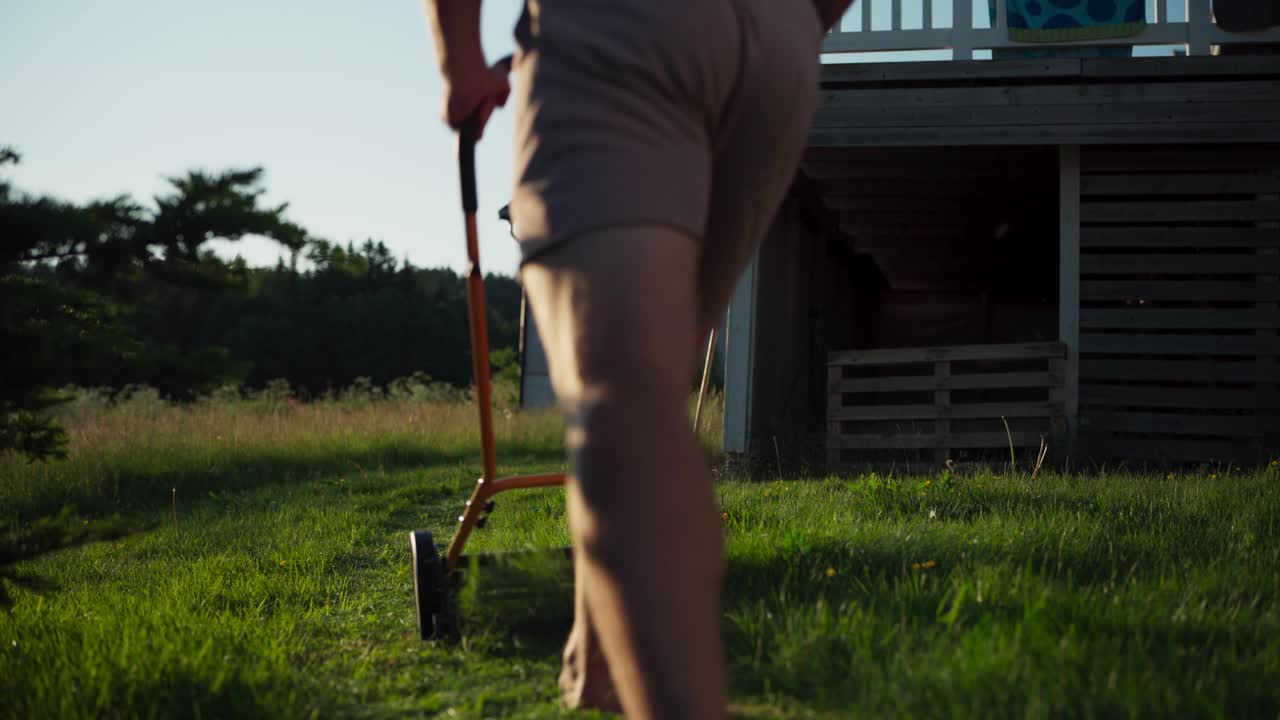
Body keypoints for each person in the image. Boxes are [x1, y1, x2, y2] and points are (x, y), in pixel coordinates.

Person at [423, 0, 849, 716]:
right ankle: (597, 676)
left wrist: (461, 67)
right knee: (650, 393)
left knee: (626, 397)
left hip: (623, 34)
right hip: (781, 49)